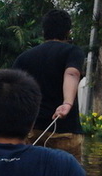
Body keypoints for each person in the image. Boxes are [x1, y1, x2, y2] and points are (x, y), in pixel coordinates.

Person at [12, 9, 85, 160]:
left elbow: (13, 92)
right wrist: (67, 103)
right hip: (65, 132)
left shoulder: (24, 58)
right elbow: (72, 73)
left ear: (44, 30)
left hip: (31, 131)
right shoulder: (72, 51)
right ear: (68, 31)